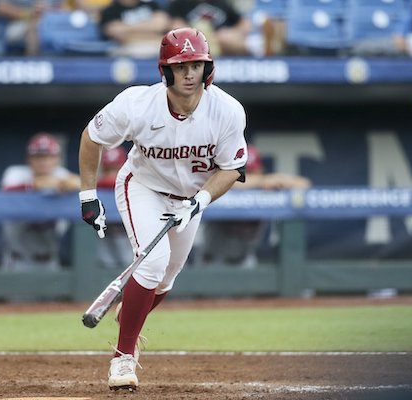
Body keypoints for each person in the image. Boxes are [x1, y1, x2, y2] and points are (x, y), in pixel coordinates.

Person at [78, 27, 248, 391]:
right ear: (165, 70)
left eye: (196, 65)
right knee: (152, 263)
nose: (189, 74)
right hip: (143, 186)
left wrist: (199, 201)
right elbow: (91, 137)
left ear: (208, 68)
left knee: (166, 277)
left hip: (190, 199)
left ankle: (130, 317)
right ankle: (123, 357)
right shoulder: (137, 104)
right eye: (181, 66)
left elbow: (232, 168)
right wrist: (87, 195)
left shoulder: (228, 110)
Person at [197, 144, 311, 269]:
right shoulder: (222, 185)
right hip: (212, 261)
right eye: (242, 172)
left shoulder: (266, 188)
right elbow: (226, 181)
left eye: (250, 172)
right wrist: (260, 181)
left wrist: (275, 181)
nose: (246, 176)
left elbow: (304, 184)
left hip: (244, 260)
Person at [0, 132, 80, 272]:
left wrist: (71, 183)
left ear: (57, 159)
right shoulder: (15, 174)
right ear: (28, 159)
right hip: (18, 261)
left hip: (49, 261)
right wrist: (34, 186)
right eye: (38, 156)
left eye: (49, 156)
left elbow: (81, 183)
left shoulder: (60, 175)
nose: (44, 161)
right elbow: (6, 193)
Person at [167, 0, 252, 56]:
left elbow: (244, 24)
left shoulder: (221, 3)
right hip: (192, 44)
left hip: (222, 44)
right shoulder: (179, 4)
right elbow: (176, 26)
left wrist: (234, 32)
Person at [96, 147, 133, 269]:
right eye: (108, 170)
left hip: (132, 261)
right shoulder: (96, 189)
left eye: (116, 169)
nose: (112, 175)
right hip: (104, 262)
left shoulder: (136, 187)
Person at [99, 0, 170, 58]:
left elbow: (161, 25)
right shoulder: (110, 10)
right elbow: (117, 35)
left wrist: (126, 28)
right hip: (127, 49)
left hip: (156, 46)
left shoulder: (152, 5)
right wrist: (150, 28)